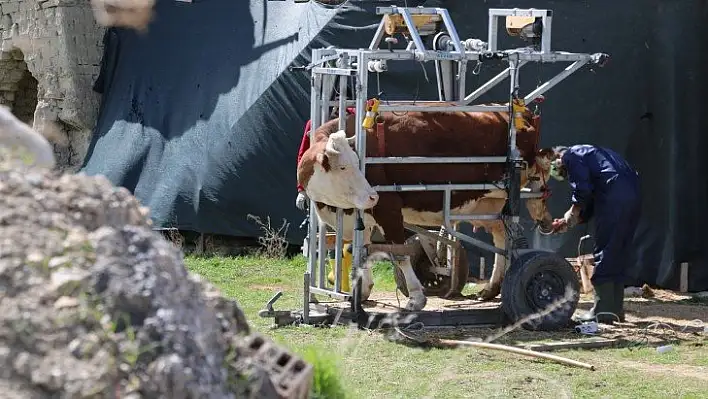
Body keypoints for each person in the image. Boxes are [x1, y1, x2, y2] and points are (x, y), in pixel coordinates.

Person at [548, 144, 641, 324]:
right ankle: (615, 309)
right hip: (632, 196)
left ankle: (602, 310)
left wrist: (572, 213)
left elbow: (582, 190)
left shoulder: (571, 155)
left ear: (558, 159)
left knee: (605, 249)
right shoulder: (595, 154)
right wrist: (573, 219)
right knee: (618, 249)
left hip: (614, 198)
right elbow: (590, 196)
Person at [295, 106, 356, 212]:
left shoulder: (355, 118)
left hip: (352, 181)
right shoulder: (315, 123)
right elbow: (304, 156)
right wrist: (302, 189)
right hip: (325, 181)